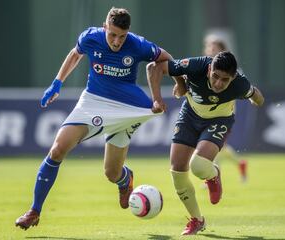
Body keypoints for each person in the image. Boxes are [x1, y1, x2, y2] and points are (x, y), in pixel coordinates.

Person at [15, 7, 176, 230]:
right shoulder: (90, 37)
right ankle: (34, 211)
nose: (117, 41)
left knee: (111, 173)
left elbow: (167, 60)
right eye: (112, 34)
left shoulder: (137, 44)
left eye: (122, 36)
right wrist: (57, 82)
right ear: (104, 27)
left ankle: (124, 179)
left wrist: (161, 95)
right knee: (57, 149)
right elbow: (75, 54)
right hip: (93, 101)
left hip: (128, 107)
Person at [146, 51, 264, 235]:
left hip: (219, 120)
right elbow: (154, 67)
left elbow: (256, 95)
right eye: (215, 76)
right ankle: (197, 220)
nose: (218, 83)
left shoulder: (240, 84)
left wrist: (256, 100)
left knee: (199, 166)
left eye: (224, 80)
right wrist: (160, 97)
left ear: (233, 78)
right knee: (177, 171)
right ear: (209, 68)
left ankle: (213, 174)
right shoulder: (196, 66)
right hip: (189, 116)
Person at [203, 34, 248, 182]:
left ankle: (213, 178)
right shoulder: (205, 67)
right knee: (219, 146)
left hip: (225, 113)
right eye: (209, 47)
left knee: (215, 145)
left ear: (222, 50)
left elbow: (243, 88)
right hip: (209, 112)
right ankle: (239, 163)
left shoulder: (231, 69)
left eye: (214, 48)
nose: (210, 50)